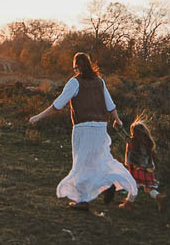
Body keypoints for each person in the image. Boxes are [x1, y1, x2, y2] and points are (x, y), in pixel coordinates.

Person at [28, 52, 137, 211]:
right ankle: (109, 184)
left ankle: (83, 201)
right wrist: (118, 120)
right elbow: (110, 105)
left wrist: (38, 117)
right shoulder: (100, 82)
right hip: (100, 127)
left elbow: (57, 105)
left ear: (76, 66)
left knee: (81, 163)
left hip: (84, 128)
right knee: (101, 159)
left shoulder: (75, 82)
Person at [119, 116, 165, 211]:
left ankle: (128, 204)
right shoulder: (148, 143)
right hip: (148, 168)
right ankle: (158, 196)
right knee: (147, 188)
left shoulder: (132, 141)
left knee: (133, 185)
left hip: (136, 168)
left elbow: (122, 134)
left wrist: (117, 126)